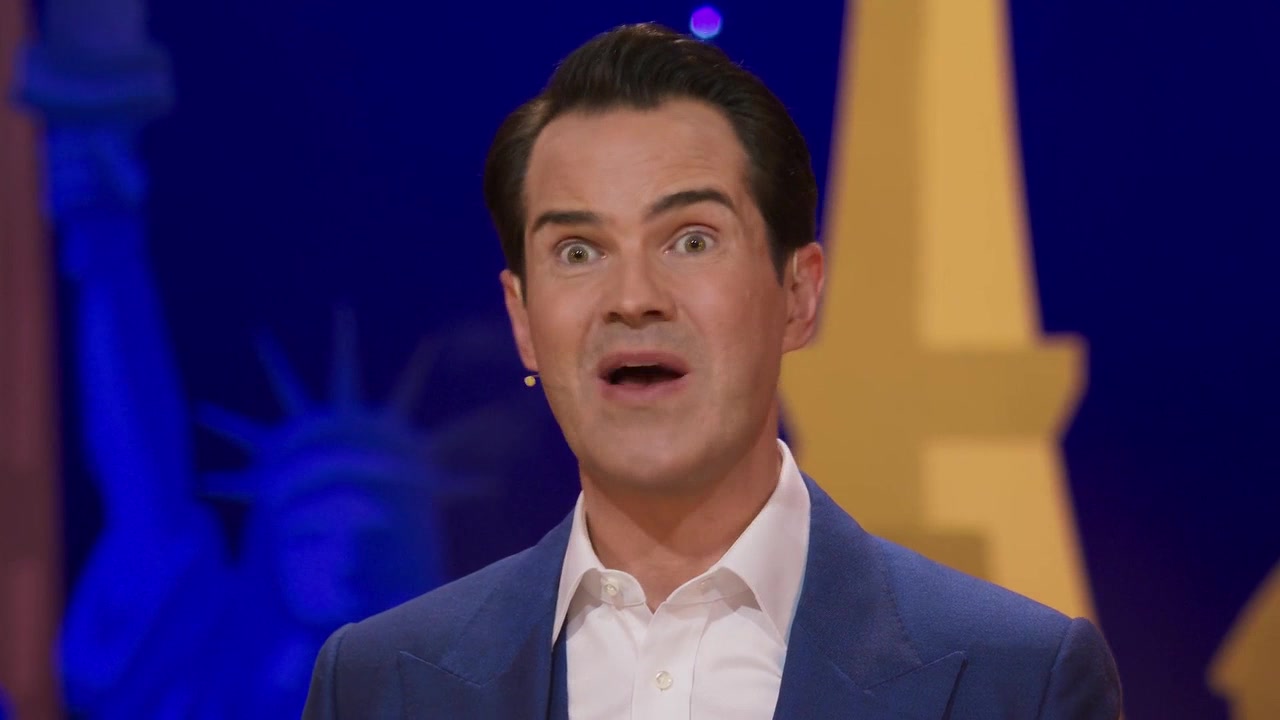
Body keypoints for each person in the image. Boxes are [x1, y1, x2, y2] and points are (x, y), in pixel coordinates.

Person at [302, 22, 1121, 719]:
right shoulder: (377, 685)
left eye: (691, 240)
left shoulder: (1020, 681)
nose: (633, 298)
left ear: (798, 294)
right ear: (522, 319)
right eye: (578, 251)